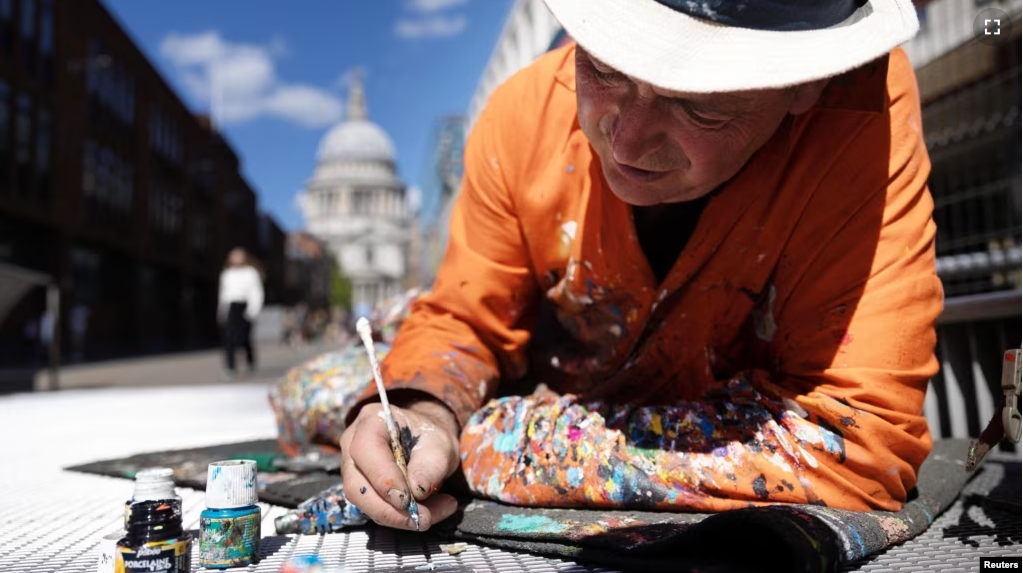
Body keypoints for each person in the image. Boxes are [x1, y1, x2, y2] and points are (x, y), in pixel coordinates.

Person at [335, 0, 944, 532]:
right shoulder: (520, 118)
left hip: (543, 407)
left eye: (698, 106)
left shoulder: (863, 116)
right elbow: (463, 319)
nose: (624, 145)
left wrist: (497, 442)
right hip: (586, 390)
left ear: (807, 83)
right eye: (601, 68)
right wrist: (425, 409)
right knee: (325, 399)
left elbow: (856, 441)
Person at [218, 247, 264, 379]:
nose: (236, 258)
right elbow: (223, 294)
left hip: (245, 306)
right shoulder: (226, 274)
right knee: (229, 338)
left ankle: (250, 361)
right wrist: (222, 311)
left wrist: (253, 310)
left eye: (238, 255)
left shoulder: (251, 273)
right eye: (233, 255)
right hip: (230, 307)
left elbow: (256, 292)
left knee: (244, 338)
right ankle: (230, 367)